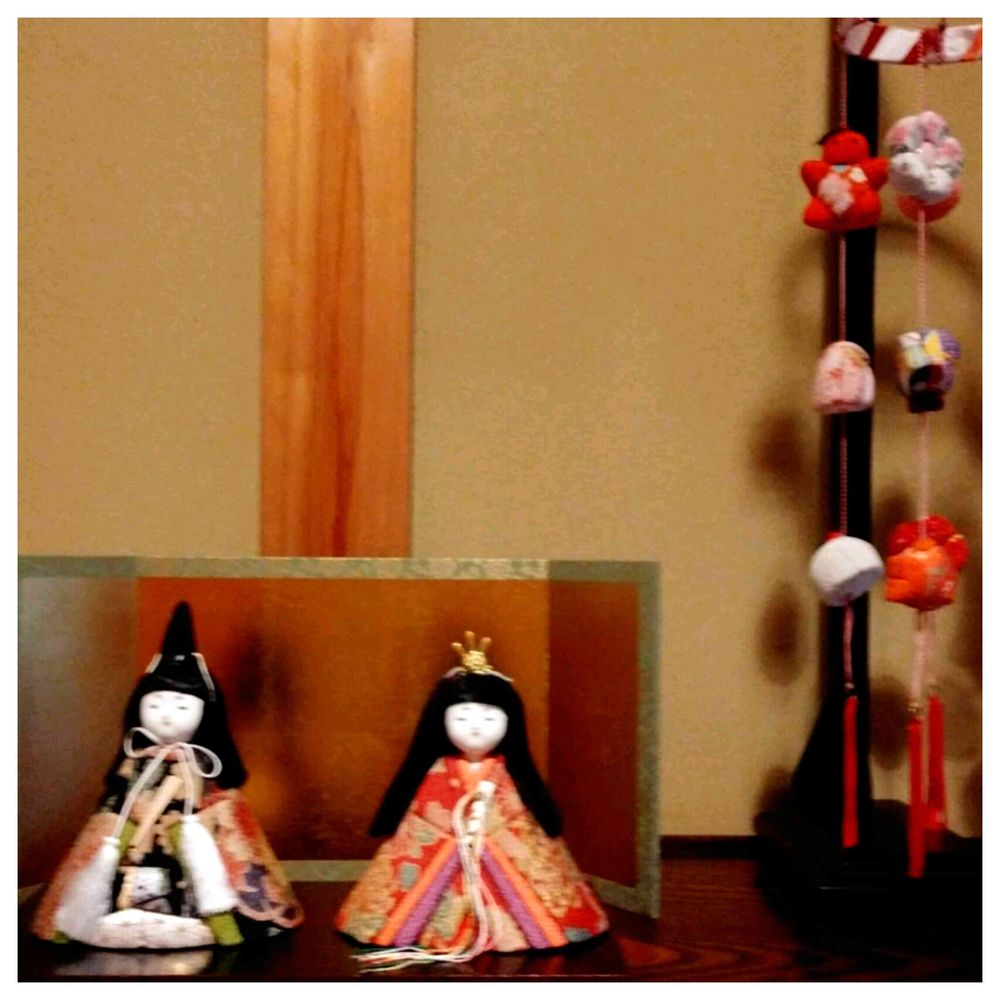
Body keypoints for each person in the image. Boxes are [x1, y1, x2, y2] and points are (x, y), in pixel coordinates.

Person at [31, 602, 303, 949]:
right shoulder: (137, 759)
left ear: (205, 713)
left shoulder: (198, 762)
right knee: (102, 856)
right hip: (132, 829)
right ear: (138, 708)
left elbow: (196, 794)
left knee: (209, 863)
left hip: (186, 826)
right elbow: (121, 794)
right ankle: (76, 922)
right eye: (155, 704)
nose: (166, 715)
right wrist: (121, 820)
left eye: (181, 706)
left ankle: (224, 927)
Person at [336, 632, 608, 968]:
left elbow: (520, 833)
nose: (475, 728)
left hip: (505, 867)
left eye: (489, 718)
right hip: (442, 871)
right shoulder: (435, 774)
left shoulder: (513, 779)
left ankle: (512, 929)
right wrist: (454, 838)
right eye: (462, 717)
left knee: (534, 892)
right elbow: (423, 825)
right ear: (441, 722)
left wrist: (490, 833)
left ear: (510, 723)